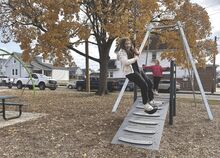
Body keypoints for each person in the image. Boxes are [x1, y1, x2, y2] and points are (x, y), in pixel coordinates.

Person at [116, 37, 158, 114]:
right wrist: (135, 58)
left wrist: (137, 52)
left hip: (137, 70)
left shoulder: (131, 49)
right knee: (144, 85)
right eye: (126, 44)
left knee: (149, 83)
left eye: (129, 43)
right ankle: (146, 105)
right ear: (123, 44)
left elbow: (138, 54)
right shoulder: (121, 52)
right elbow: (126, 62)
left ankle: (151, 100)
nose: (128, 45)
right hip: (130, 72)